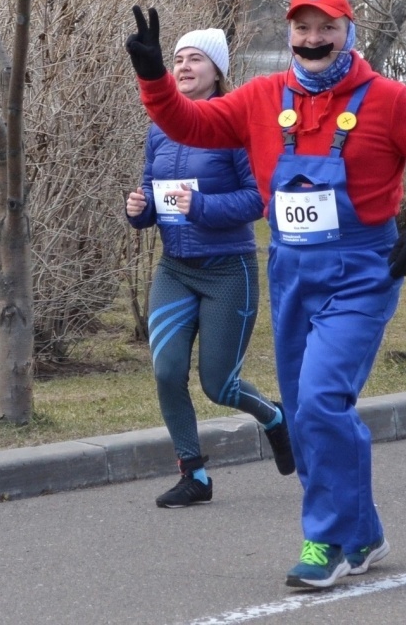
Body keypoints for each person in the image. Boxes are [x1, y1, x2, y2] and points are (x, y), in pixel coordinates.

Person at [124, 0, 406, 589]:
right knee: (311, 412)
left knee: (319, 402)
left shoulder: (386, 101)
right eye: (302, 29)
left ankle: (325, 539)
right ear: (289, 35)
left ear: (347, 32)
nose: (312, 41)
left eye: (325, 28)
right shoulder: (261, 98)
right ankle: (362, 531)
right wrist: (154, 76)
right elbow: (189, 123)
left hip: (362, 271)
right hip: (291, 270)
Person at [125, 28, 296, 509]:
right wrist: (140, 209)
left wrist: (199, 206)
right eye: (177, 59)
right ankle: (193, 473)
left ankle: (276, 419)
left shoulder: (236, 125)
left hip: (228, 272)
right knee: (167, 370)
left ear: (217, 70)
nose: (182, 67)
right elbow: (153, 199)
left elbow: (258, 198)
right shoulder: (159, 129)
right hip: (176, 269)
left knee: (219, 385)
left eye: (195, 59)